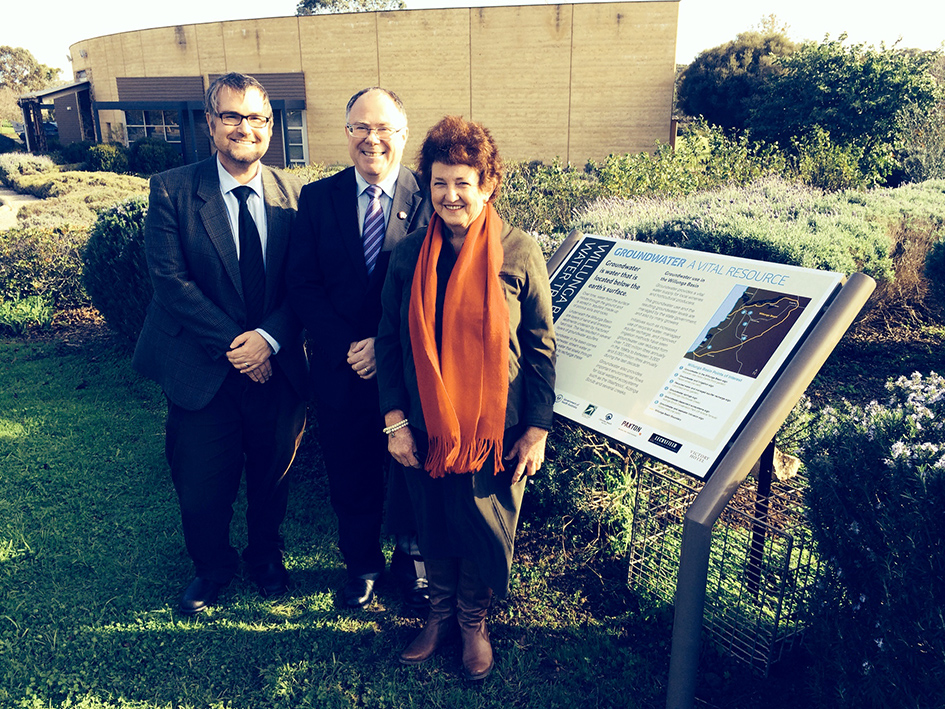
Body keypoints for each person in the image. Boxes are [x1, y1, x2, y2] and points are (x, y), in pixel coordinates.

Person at [375, 115, 556, 679]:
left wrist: (537, 426)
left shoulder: (519, 251)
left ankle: (472, 621)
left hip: (493, 432)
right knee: (434, 521)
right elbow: (388, 341)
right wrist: (395, 420)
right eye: (438, 183)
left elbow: (541, 344)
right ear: (427, 185)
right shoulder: (409, 255)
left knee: (481, 522)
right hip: (426, 425)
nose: (450, 195)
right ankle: (438, 615)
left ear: (487, 184)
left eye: (462, 182)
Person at [133, 72, 307, 615]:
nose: (244, 128)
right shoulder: (172, 189)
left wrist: (269, 341)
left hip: (276, 369)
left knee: (271, 474)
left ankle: (266, 555)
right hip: (202, 368)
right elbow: (169, 282)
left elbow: (306, 283)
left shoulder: (296, 196)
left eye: (256, 117)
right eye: (231, 116)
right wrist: (240, 345)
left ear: (270, 127)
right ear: (210, 124)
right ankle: (211, 566)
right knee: (202, 484)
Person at [286, 88, 432, 610]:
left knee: (414, 466)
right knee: (350, 468)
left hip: (411, 368)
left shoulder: (432, 197)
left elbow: (439, 290)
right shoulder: (318, 198)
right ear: (346, 134)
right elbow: (301, 283)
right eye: (360, 128)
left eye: (385, 128)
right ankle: (362, 564)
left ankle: (413, 565)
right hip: (339, 364)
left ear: (403, 133)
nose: (373, 139)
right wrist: (349, 344)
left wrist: (383, 344)